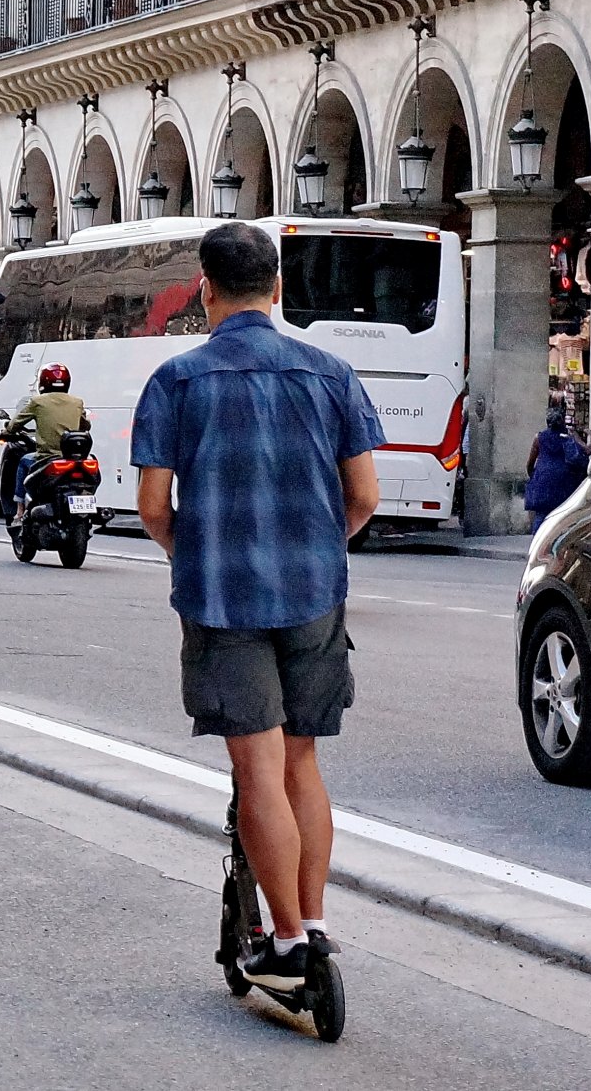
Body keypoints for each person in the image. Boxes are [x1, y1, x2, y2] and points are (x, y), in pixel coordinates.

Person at [131, 222, 382, 992]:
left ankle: (279, 940)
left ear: (205, 290)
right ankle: (314, 925)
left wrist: (195, 552)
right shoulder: (330, 373)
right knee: (303, 762)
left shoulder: (176, 380)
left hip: (222, 596)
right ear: (278, 291)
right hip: (314, 593)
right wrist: (316, 544)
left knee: (258, 767)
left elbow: (151, 506)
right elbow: (366, 496)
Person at [0, 362, 87, 521]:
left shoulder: (38, 402)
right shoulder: (77, 402)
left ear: (43, 382)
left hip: (46, 458)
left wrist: (7, 432)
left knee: (23, 461)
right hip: (74, 459)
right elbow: (85, 425)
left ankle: (19, 510)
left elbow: (16, 423)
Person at [525, 405, 589, 531]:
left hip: (543, 479)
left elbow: (530, 462)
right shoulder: (567, 437)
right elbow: (586, 450)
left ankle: (538, 541)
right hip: (564, 480)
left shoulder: (539, 437)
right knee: (562, 515)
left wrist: (533, 476)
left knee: (541, 515)